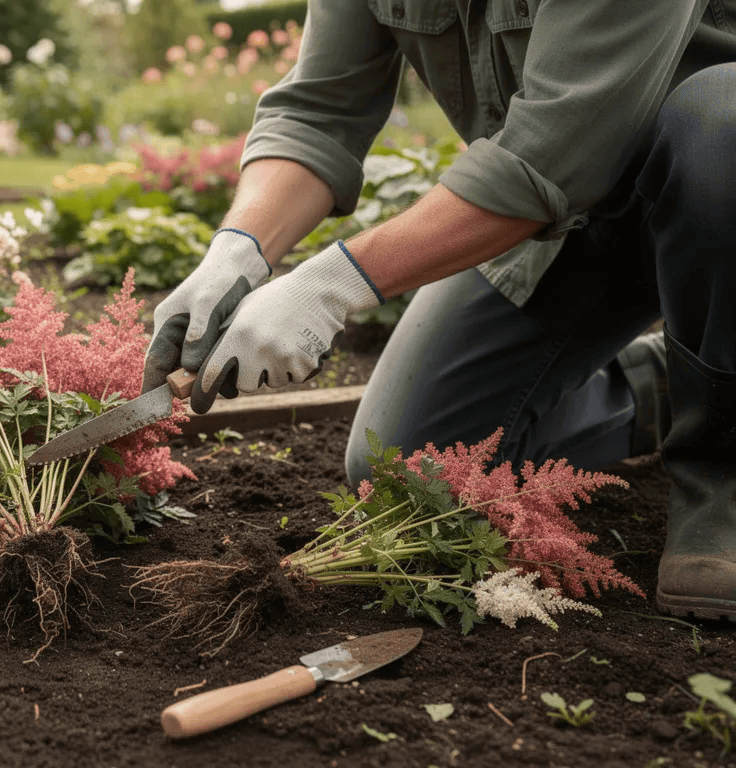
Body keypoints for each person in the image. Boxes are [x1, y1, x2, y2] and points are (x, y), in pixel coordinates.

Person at [142, 0, 736, 619]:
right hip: (560, 220)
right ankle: (674, 387)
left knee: (724, 119)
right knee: (411, 465)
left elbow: (556, 148)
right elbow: (319, 110)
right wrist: (237, 250)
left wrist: (330, 284)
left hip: (710, 198)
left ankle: (723, 478)